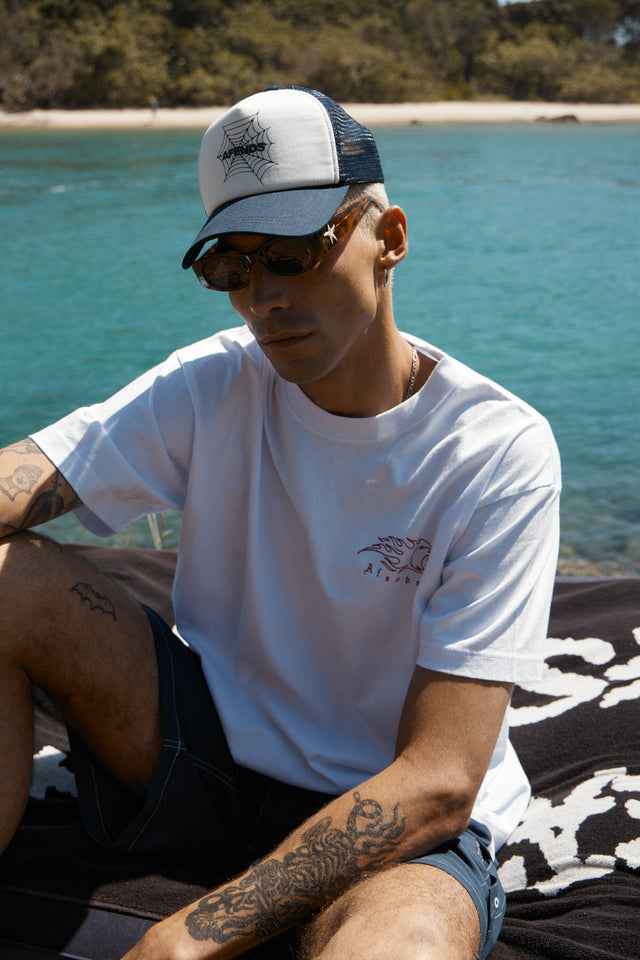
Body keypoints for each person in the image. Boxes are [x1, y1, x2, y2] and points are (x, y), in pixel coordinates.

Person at [0, 86, 560, 960]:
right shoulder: (215, 382)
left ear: (390, 238)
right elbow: (21, 481)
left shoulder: (494, 451)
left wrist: (191, 936)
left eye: (295, 253)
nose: (262, 297)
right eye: (230, 267)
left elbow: (441, 779)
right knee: (10, 580)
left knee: (403, 950)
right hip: (205, 752)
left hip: (391, 817)